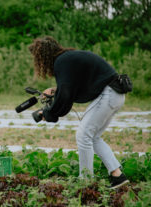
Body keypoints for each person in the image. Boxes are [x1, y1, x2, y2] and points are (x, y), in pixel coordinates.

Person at [28, 36, 129, 189]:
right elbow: (70, 88)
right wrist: (55, 92)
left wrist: (48, 112)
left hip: (109, 93)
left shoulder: (62, 62)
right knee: (93, 137)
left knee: (83, 135)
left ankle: (86, 182)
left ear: (43, 56)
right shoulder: (68, 59)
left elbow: (66, 95)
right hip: (116, 94)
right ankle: (118, 177)